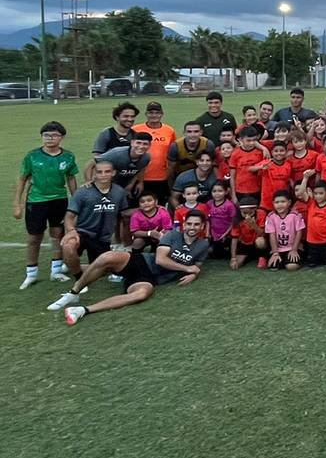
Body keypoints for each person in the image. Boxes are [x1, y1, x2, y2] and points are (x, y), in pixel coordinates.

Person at [60, 212, 211, 326]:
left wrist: (193, 274)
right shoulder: (172, 235)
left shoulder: (203, 245)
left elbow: (196, 266)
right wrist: (187, 269)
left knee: (141, 294)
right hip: (142, 261)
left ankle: (82, 310)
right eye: (189, 224)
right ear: (184, 225)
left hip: (150, 278)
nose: (192, 227)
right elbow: (160, 259)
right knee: (107, 257)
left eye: (196, 225)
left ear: (202, 226)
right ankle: (74, 291)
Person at [47, 160, 128, 310]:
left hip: (103, 238)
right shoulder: (83, 191)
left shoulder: (118, 192)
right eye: (99, 172)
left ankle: (72, 266)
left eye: (107, 171)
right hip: (83, 233)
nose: (103, 175)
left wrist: (122, 241)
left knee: (103, 270)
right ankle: (78, 279)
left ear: (113, 173)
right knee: (68, 245)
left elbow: (122, 216)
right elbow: (69, 216)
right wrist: (71, 231)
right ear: (94, 173)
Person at [14, 121, 78, 289]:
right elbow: (22, 179)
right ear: (42, 137)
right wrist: (17, 204)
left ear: (62, 137)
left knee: (57, 234)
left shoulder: (68, 156)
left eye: (54, 135)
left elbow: (71, 178)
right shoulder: (32, 156)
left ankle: (56, 271)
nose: (50, 138)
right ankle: (31, 274)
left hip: (59, 200)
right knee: (34, 237)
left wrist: (76, 201)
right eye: (46, 135)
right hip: (36, 201)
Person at [134, 102, 176, 204]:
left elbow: (173, 152)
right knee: (139, 206)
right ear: (146, 114)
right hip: (140, 177)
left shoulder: (169, 130)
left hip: (161, 177)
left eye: (157, 113)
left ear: (162, 114)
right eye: (151, 112)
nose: (154, 115)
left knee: (159, 206)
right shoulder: (136, 129)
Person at [264, 190, 304, 270]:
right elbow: (272, 235)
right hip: (278, 249)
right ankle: (281, 260)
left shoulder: (295, 215)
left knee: (291, 267)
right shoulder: (271, 216)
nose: (280, 205)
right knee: (273, 267)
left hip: (293, 247)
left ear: (289, 203)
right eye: (277, 202)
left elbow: (299, 232)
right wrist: (275, 252)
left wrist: (294, 250)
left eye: (283, 201)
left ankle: (294, 260)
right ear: (273, 203)